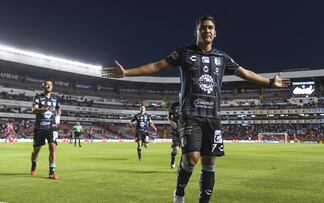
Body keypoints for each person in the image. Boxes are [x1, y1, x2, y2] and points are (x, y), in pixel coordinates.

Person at [102, 15, 290, 203]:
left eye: (210, 28)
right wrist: (127, 72)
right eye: (203, 28)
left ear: (215, 33)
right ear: (196, 32)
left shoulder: (221, 57)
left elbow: (245, 73)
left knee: (209, 163)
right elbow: (158, 65)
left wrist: (269, 82)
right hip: (190, 114)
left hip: (213, 117)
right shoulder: (184, 53)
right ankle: (179, 193)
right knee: (192, 159)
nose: (206, 30)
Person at [31, 80, 61, 179]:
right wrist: (44, 109)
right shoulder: (38, 97)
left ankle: (51, 172)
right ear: (43, 86)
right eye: (47, 84)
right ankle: (34, 166)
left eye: (51, 84)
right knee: (36, 151)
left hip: (52, 127)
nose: (49, 86)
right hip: (40, 127)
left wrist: (58, 117)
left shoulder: (55, 98)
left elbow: (59, 109)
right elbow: (34, 110)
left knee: (52, 147)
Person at [168, 101, 180, 169]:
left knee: (187, 152)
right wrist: (171, 122)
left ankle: (183, 167)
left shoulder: (188, 104)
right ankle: (172, 161)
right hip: (176, 131)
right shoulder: (174, 104)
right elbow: (169, 114)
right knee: (175, 150)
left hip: (185, 129)